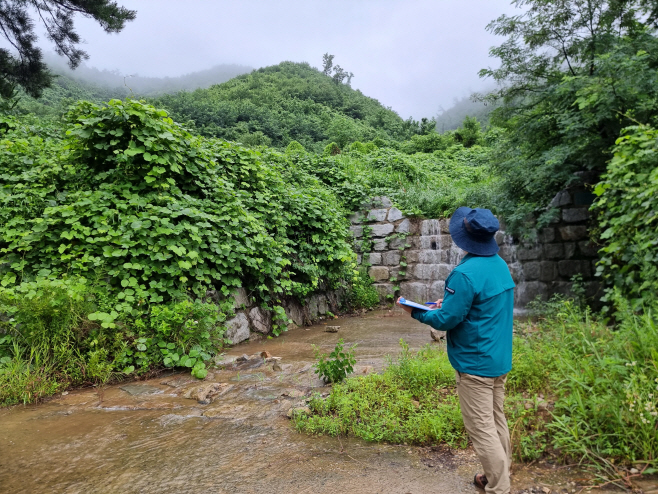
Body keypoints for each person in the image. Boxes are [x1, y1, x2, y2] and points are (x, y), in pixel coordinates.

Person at [396, 206, 515, 494]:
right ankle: (495, 475)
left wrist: (416, 312)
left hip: (474, 365)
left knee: (481, 429)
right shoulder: (499, 265)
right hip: (498, 359)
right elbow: (476, 308)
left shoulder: (464, 274)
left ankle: (500, 488)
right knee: (497, 421)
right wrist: (445, 304)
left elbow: (447, 319)